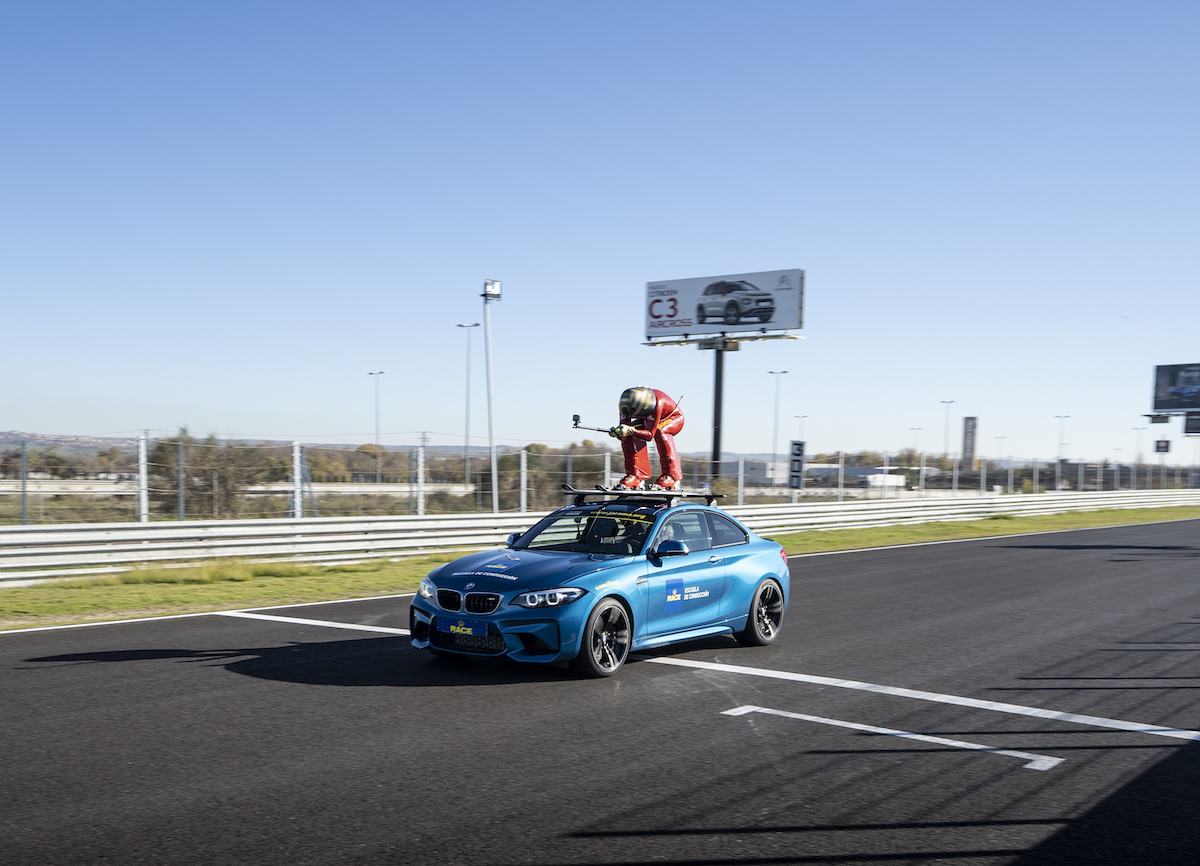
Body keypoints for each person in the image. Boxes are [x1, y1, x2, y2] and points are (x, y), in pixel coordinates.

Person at [608, 387, 685, 489]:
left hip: (672, 417)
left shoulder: (658, 402)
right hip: (648, 419)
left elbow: (649, 435)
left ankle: (672, 477)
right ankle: (636, 476)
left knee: (660, 431)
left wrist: (631, 430)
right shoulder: (625, 406)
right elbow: (625, 433)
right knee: (630, 433)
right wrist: (619, 433)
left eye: (633, 411)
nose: (630, 412)